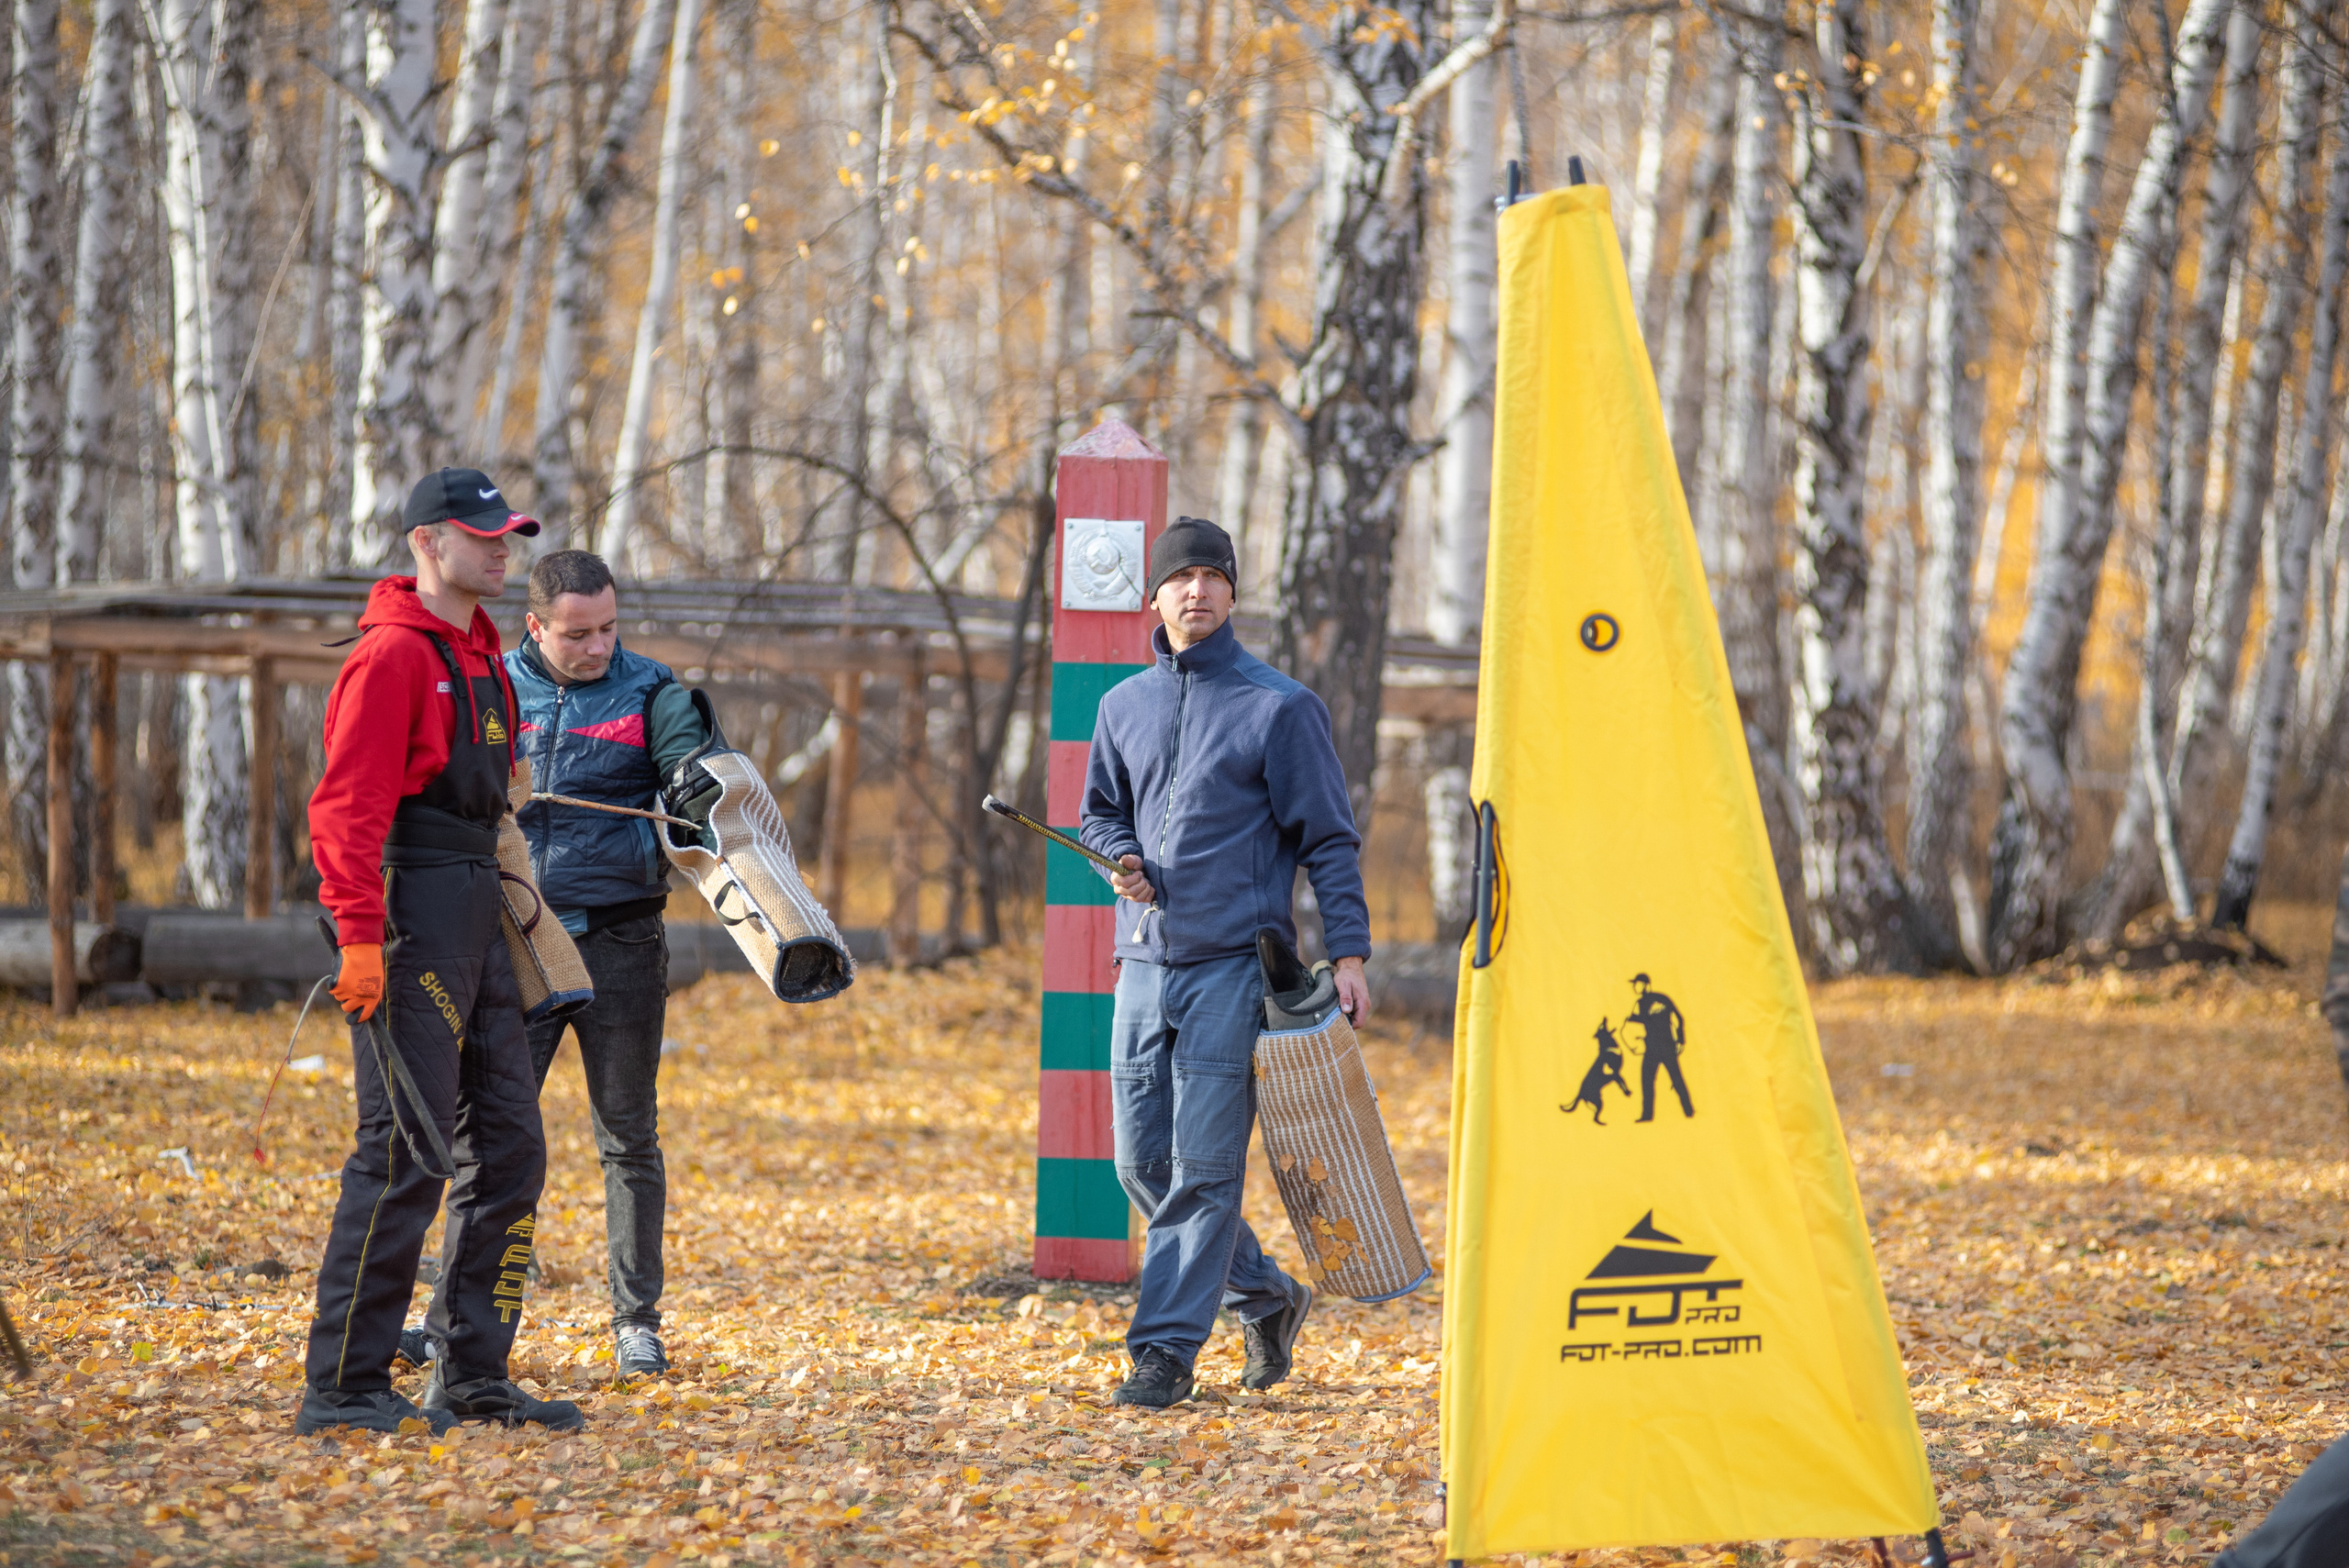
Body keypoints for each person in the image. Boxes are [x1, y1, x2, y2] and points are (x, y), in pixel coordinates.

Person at [298, 467, 582, 1435]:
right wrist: (359, 936)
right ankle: (342, 1384)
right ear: (426, 541)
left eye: (508, 535)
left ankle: (473, 1375)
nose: (502, 548)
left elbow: (494, 797)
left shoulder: (484, 657)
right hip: (406, 910)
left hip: (478, 913)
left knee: (509, 1147)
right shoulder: (388, 657)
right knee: (406, 1150)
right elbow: (345, 810)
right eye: (483, 535)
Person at [1079, 515, 1374, 1410]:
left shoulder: (1277, 706)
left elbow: (1328, 838)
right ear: (1155, 593)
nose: (1196, 591)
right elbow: (1097, 814)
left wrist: (1350, 950)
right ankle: (1266, 1293)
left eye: (1213, 576)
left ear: (1233, 592)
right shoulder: (1119, 706)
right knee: (1142, 1166)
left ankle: (1164, 1351)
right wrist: (1115, 857)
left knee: (1204, 1170)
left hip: (1230, 971)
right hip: (1140, 965)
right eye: (1182, 577)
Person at [502, 549, 712, 1378]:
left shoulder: (655, 691)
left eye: (609, 628)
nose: (597, 647)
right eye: (577, 634)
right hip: (515, 940)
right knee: (498, 1140)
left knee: (628, 1137)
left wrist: (697, 796)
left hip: (622, 940)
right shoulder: (492, 688)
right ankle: (472, 1313)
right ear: (535, 626)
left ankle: (636, 1323)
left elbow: (697, 777)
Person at [1629, 973, 1694, 1122]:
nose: (1634, 986)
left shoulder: (1661, 998)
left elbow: (1678, 1017)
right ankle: (1647, 1115)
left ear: (1646, 985)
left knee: (1676, 1079)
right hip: (1651, 1048)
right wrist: (1634, 1038)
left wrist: (1680, 1041)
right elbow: (1635, 1022)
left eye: (1637, 983)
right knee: (1646, 1080)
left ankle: (1689, 1111)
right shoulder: (1639, 1003)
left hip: (1666, 1046)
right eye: (1634, 984)